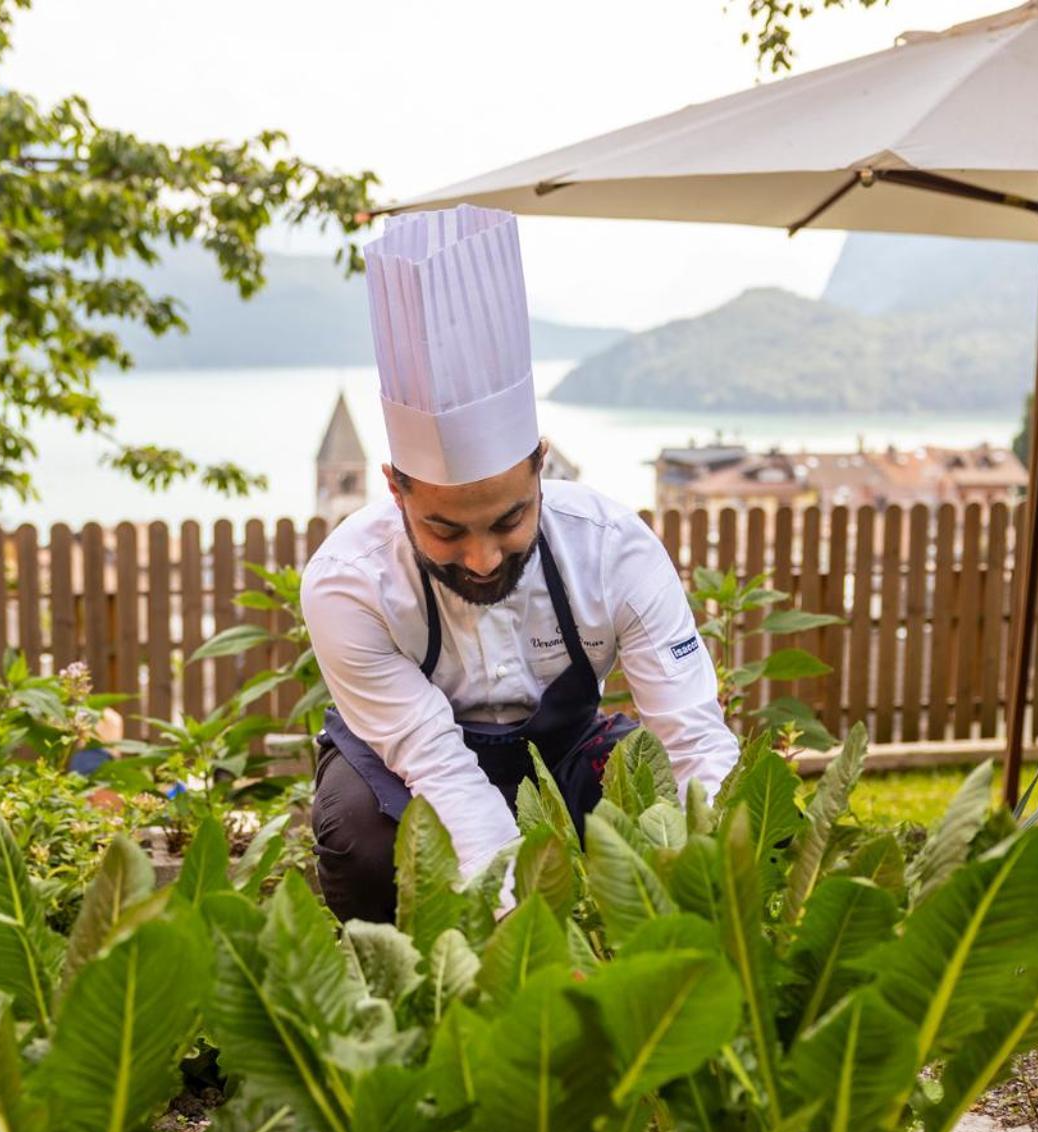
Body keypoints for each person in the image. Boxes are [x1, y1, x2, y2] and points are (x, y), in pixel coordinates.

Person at [303, 203, 741, 923]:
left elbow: (692, 737)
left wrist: (731, 886)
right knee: (361, 833)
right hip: (408, 772)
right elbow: (439, 766)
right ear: (395, 489)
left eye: (509, 520)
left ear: (540, 467)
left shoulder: (613, 548)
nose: (480, 558)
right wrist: (527, 943)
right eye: (444, 529)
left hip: (562, 753)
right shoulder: (349, 583)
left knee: (655, 795)